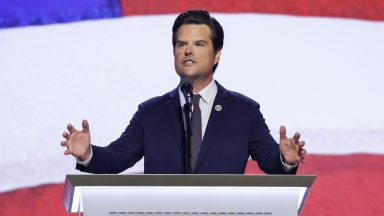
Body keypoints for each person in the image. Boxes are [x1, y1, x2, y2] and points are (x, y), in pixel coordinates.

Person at [61, 10, 306, 174]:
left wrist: (286, 160)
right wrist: (87, 155)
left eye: (199, 44)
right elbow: (117, 157)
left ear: (217, 54)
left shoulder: (244, 111)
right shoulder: (151, 113)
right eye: (181, 44)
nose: (188, 51)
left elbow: (269, 158)